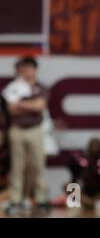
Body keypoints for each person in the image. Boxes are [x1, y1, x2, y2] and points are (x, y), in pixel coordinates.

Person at [2, 57, 50, 216]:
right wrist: (30, 105)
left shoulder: (40, 87)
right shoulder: (14, 87)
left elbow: (40, 106)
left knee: (37, 165)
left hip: (35, 129)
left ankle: (41, 198)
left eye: (28, 68)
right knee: (17, 166)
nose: (25, 71)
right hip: (17, 129)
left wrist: (21, 105)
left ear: (35, 69)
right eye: (22, 68)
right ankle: (16, 198)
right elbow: (11, 109)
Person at [68, 138, 100, 210]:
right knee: (69, 187)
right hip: (86, 191)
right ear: (89, 147)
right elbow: (74, 180)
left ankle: (93, 202)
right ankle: (88, 202)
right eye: (93, 145)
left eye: (97, 146)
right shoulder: (82, 161)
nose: (95, 148)